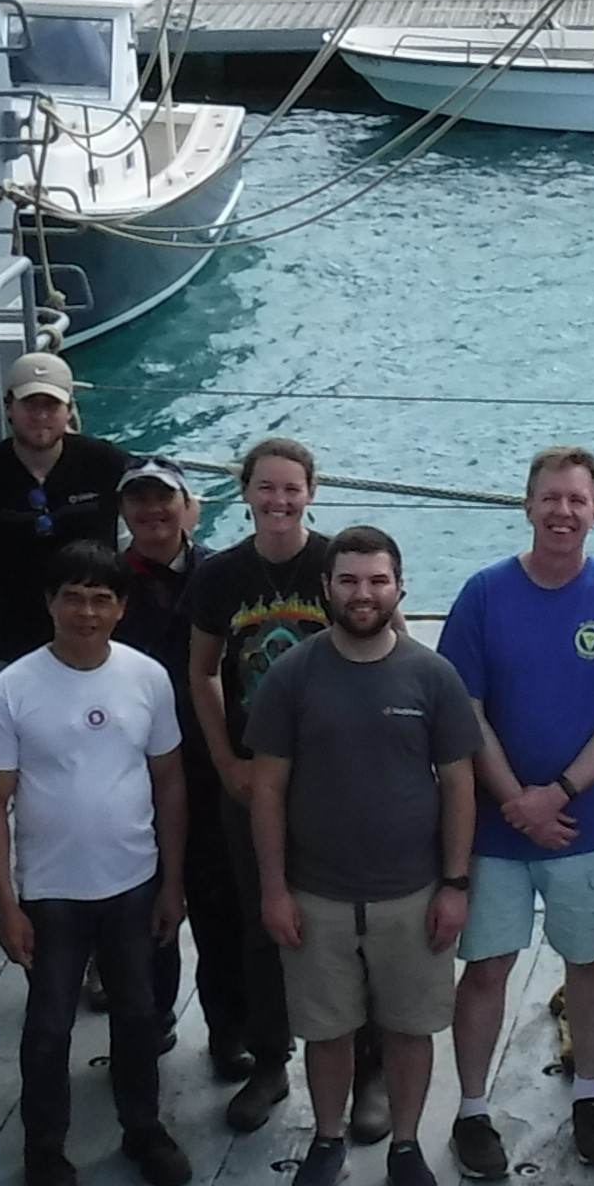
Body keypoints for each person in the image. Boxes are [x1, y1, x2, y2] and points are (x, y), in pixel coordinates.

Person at [249, 526, 483, 1186]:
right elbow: (266, 789)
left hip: (411, 895)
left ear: (399, 588)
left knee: (411, 1029)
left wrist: (455, 883)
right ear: (326, 588)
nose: (362, 594)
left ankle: (406, 1147)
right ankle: (326, 1140)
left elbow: (459, 785)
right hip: (315, 895)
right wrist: (272, 889)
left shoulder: (431, 676)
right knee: (327, 1031)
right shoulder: (292, 675)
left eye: (377, 581)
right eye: (348, 580)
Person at [442, 447, 594, 1175]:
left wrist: (554, 795)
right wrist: (513, 801)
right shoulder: (482, 594)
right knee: (488, 966)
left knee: (590, 960)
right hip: (495, 832)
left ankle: (589, 1094)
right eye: (550, 498)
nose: (563, 511)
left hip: (582, 825)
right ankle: (472, 1110)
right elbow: (463, 710)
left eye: (577, 500)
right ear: (526, 506)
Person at [0, 542, 191, 1186]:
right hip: (51, 894)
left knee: (137, 1015)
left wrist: (171, 882)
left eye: (101, 598)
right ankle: (45, 1147)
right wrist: (6, 905)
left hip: (132, 883)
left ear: (121, 608)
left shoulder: (147, 678)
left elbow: (170, 782)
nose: (86, 611)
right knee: (47, 1029)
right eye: (72, 596)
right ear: (48, 603)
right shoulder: (11, 691)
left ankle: (142, 1128)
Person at [185, 436, 372, 1137]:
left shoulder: (337, 565)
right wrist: (226, 760)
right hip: (255, 778)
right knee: (262, 920)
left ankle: (369, 1066)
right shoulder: (220, 576)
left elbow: (383, 649)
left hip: (336, 782)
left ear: (311, 493)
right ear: (246, 492)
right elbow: (202, 671)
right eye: (266, 488)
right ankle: (270, 1058)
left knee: (356, 924)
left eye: (291, 489)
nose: (279, 501)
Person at [113, 456, 254, 1082]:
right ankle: (152, 1018)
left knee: (221, 906)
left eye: (163, 498)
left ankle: (230, 1032)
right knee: (147, 905)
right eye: (138, 500)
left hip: (209, 757)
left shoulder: (224, 575)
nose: (152, 512)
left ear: (187, 505)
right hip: (132, 767)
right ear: (122, 511)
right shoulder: (105, 580)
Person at [0, 352, 132, 665]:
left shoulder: (105, 462)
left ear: (69, 410)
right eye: (30, 404)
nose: (40, 415)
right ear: (8, 407)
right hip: (20, 646)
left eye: (51, 405)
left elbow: (175, 506)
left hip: (105, 643)